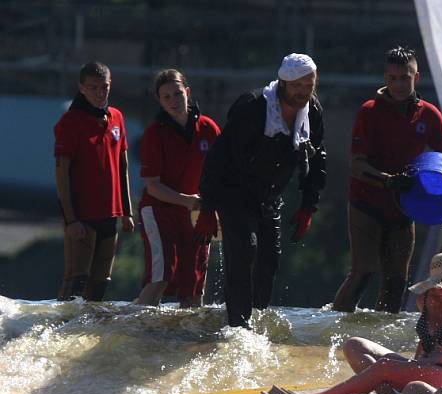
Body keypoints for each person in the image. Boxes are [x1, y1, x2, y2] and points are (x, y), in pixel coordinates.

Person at [333, 46, 442, 314]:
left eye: (404, 78)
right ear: (385, 78)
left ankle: (385, 336)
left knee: (397, 279)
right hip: (366, 202)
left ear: (416, 78)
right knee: (364, 271)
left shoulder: (428, 114)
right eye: (392, 78)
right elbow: (358, 165)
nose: (398, 84)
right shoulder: (369, 111)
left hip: (404, 206)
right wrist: (389, 181)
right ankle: (334, 326)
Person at [198, 53, 325, 328]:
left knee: (269, 262)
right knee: (245, 251)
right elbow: (218, 157)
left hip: (270, 198)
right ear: (283, 82)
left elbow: (317, 160)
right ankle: (238, 326)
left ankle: (254, 318)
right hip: (235, 194)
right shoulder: (254, 106)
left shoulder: (312, 111)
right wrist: (208, 208)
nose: (303, 92)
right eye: (297, 86)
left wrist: (307, 207)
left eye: (309, 85)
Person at [295, 252, 442, 394]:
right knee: (354, 346)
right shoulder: (426, 299)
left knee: (385, 367)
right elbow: (426, 341)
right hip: (423, 368)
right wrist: (410, 366)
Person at [135, 69, 220, 308]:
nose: (173, 101)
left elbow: (222, 172)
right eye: (166, 97)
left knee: (194, 285)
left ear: (188, 93)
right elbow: (153, 186)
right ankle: (136, 334)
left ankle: (187, 342)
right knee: (161, 277)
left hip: (195, 213)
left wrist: (212, 207)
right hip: (158, 210)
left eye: (178, 94)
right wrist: (188, 200)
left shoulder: (208, 128)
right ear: (159, 100)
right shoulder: (154, 134)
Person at [54, 61, 135, 301]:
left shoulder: (117, 117)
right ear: (81, 88)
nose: (100, 93)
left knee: (100, 283)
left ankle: (88, 334)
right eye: (93, 87)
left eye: (105, 87)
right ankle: (58, 333)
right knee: (76, 281)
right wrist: (71, 219)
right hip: (82, 216)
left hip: (110, 214)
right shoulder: (70, 122)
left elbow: (123, 166)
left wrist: (127, 211)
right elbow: (62, 175)